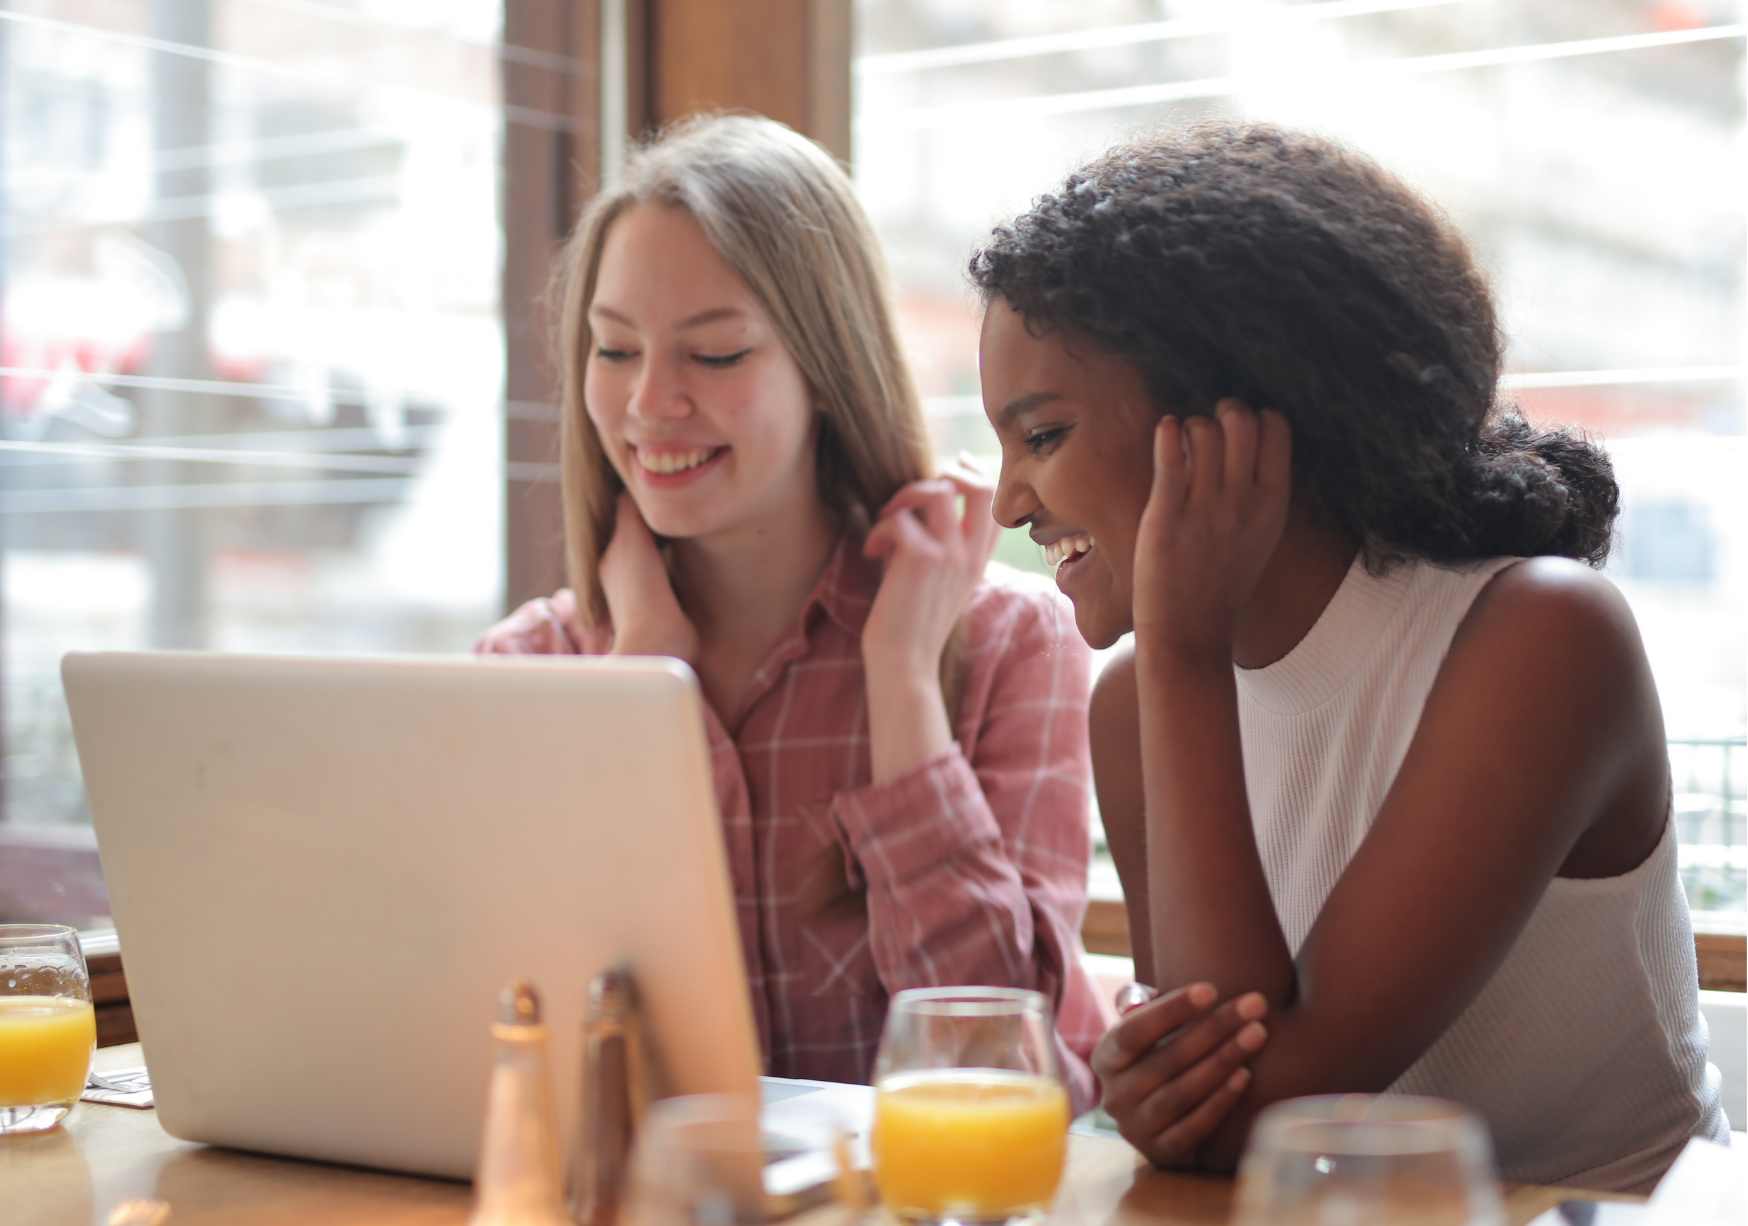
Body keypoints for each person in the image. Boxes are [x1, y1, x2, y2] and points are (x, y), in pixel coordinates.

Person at [969, 121, 1727, 1191]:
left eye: (1040, 437)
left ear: (1229, 427)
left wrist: (1182, 649)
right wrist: (1149, 1094)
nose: (1009, 502)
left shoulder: (1540, 640)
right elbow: (1216, 1102)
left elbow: (1269, 1114)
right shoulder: (1133, 704)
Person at [475, 114, 1104, 1111]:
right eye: (612, 349)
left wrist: (898, 676)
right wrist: (638, 680)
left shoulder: (1004, 644)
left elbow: (1001, 1069)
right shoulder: (530, 668)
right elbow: (519, 1065)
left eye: (715, 355)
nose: (648, 404)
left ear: (826, 366)